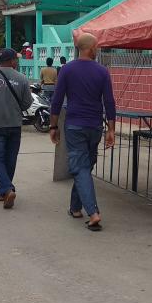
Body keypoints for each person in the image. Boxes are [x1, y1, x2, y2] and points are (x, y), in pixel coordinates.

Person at [49, 32, 116, 231]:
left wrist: (54, 127)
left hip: (74, 126)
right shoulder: (102, 71)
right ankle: (75, 208)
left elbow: (57, 100)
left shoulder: (67, 70)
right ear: (90, 48)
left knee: (81, 168)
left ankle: (93, 213)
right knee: (84, 167)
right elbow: (109, 102)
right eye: (96, 47)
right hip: (94, 127)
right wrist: (111, 129)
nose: (98, 50)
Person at [0, 49, 34, 209]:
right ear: (12, 61)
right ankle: (3, 191)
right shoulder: (22, 78)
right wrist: (16, 110)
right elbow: (27, 103)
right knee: (10, 159)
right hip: (15, 125)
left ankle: (7, 189)